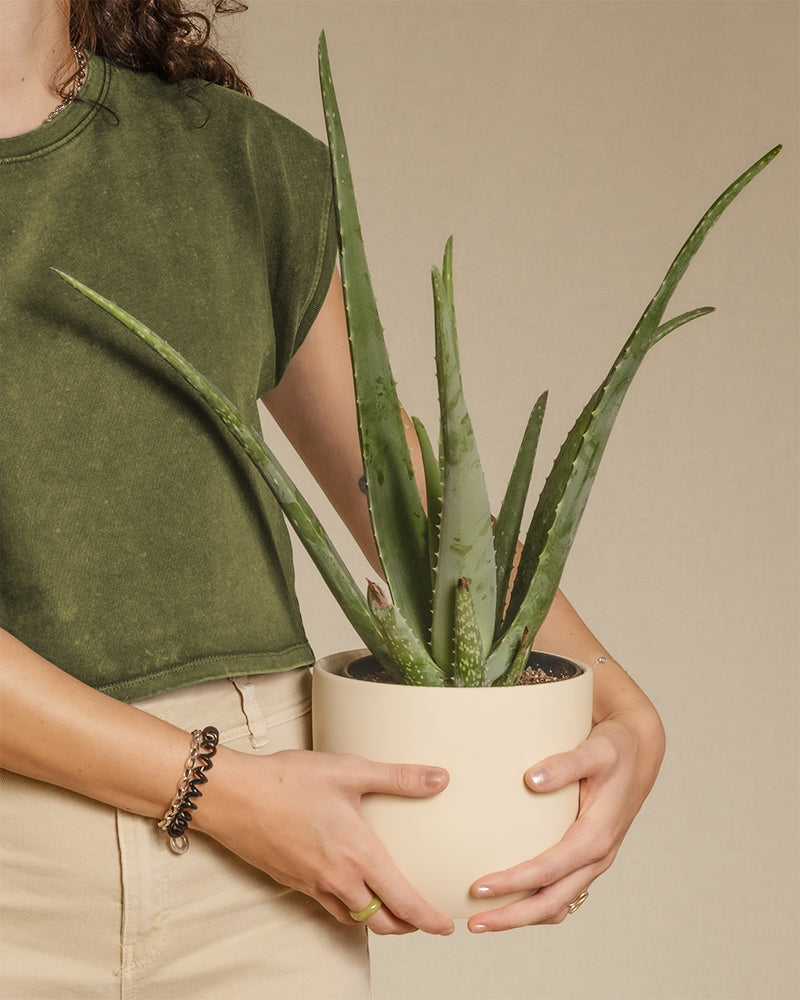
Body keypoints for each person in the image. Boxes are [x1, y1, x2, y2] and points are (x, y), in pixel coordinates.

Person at [0, 1, 666, 997]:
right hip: (188, 814)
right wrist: (218, 790)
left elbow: (403, 506)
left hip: (261, 863)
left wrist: (611, 700)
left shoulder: (233, 160)